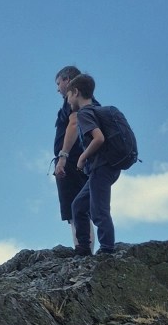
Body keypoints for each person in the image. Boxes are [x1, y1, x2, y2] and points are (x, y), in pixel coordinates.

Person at [66, 72, 119, 257]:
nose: (67, 100)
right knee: (78, 206)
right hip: (104, 168)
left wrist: (82, 157)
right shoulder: (96, 110)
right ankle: (83, 248)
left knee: (99, 210)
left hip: (101, 167)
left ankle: (107, 250)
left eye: (68, 95)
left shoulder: (85, 113)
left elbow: (99, 138)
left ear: (76, 92)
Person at [51, 64, 85, 232]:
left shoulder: (73, 101)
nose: (57, 89)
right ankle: (82, 249)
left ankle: (83, 250)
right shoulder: (78, 100)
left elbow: (74, 123)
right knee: (76, 209)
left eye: (58, 83)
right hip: (75, 160)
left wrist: (63, 157)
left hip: (72, 161)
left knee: (77, 209)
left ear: (67, 80)